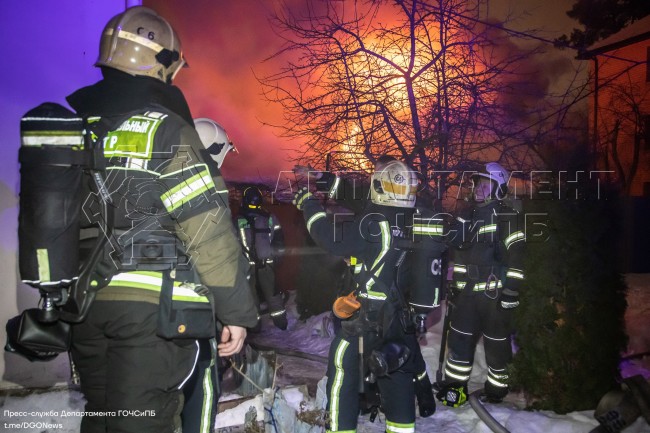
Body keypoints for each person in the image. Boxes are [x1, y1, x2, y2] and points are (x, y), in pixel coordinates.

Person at [66, 7, 258, 432]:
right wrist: (236, 312)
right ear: (163, 63)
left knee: (102, 416)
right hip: (150, 315)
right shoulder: (167, 131)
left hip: (85, 306)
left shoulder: (78, 127)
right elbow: (206, 231)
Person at [295, 160, 444, 419]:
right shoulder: (415, 216)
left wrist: (308, 204)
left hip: (368, 316)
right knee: (400, 373)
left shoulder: (374, 219)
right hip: (400, 316)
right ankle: (416, 405)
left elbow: (331, 239)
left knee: (343, 373)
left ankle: (346, 418)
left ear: (381, 184)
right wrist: (324, 178)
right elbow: (355, 196)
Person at [436, 162, 526, 407]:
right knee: (459, 341)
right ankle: (455, 388)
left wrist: (511, 290)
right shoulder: (467, 216)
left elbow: (518, 256)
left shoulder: (508, 217)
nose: (478, 189)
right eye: (477, 184)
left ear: (499, 189)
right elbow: (458, 253)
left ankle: (497, 391)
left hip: (494, 295)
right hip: (467, 295)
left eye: (485, 185)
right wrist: (456, 285)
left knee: (497, 347)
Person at [236, 186, 288, 330]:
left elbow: (232, 243)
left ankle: (255, 326)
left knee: (251, 297)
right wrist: (278, 258)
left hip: (248, 266)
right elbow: (279, 241)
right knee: (272, 295)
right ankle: (280, 323)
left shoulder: (238, 220)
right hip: (265, 264)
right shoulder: (269, 217)